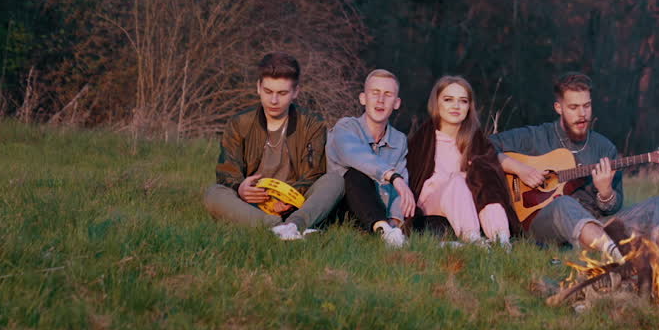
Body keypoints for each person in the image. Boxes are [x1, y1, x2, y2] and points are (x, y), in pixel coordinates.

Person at [493, 72, 659, 271]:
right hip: (543, 222)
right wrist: (519, 169)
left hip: (597, 224)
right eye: (573, 107)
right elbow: (483, 147)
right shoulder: (535, 137)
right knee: (563, 204)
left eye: (587, 106)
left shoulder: (604, 148)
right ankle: (619, 258)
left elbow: (613, 208)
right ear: (558, 108)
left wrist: (605, 193)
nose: (582, 114)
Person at [203, 52, 343, 240]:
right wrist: (240, 188)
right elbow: (227, 170)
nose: (274, 101)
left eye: (282, 93)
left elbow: (313, 174)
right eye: (268, 92)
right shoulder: (239, 123)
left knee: (335, 181)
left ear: (295, 92)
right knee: (214, 193)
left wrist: (284, 200)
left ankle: (295, 224)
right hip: (252, 204)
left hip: (296, 202)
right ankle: (278, 228)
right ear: (258, 88)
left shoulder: (312, 124)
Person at [405, 76, 518, 245]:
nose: (456, 106)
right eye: (448, 99)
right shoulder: (423, 139)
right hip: (432, 206)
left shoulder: (476, 141)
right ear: (437, 103)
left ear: (469, 107)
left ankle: (501, 239)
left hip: (469, 205)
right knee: (458, 181)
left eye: (463, 101)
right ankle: (472, 239)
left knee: (485, 176)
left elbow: (491, 182)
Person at [326, 69, 416, 248]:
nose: (380, 100)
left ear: (397, 103)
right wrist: (393, 177)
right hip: (342, 209)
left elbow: (401, 186)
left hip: (378, 212)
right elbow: (356, 155)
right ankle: (382, 229)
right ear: (362, 98)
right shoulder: (345, 127)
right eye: (375, 93)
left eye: (387, 95)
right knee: (355, 174)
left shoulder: (398, 140)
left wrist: (395, 220)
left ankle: (388, 232)